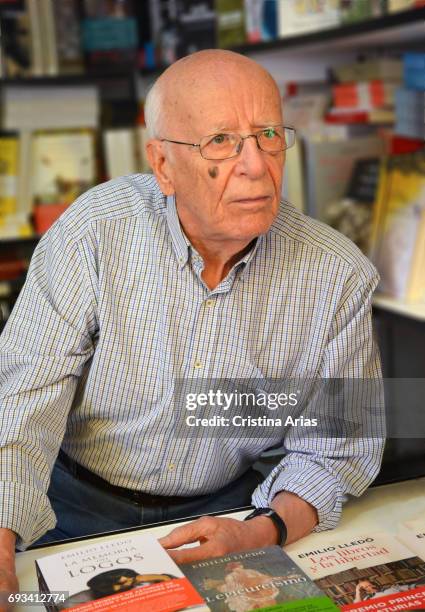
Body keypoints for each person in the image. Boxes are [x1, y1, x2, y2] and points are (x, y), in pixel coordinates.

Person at [0, 49, 383, 600]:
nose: (255, 165)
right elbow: (22, 397)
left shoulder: (337, 274)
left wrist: (259, 531)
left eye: (268, 134)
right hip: (71, 506)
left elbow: (338, 447)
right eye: (221, 141)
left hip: (228, 512)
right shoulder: (93, 233)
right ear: (162, 165)